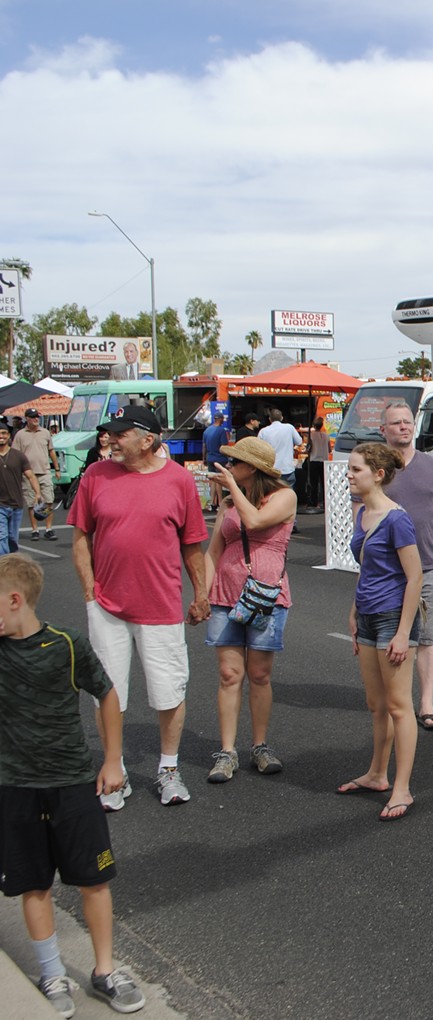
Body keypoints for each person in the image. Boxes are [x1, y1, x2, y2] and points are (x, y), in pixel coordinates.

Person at [0, 554, 146, 1016]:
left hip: (72, 783)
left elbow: (106, 692)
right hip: (15, 787)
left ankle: (104, 971)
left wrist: (112, 761)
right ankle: (51, 974)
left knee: (94, 881)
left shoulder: (66, 644)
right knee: (34, 884)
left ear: (14, 600)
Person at [67, 406, 210, 810]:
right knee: (108, 692)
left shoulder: (180, 480)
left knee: (168, 691)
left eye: (120, 433)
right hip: (107, 607)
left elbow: (192, 544)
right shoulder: (95, 475)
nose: (111, 439)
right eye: (110, 433)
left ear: (147, 440)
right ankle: (117, 770)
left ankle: (168, 768)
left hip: (161, 605)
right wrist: (89, 594)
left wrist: (200, 593)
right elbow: (80, 538)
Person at [202, 438, 297, 784]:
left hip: (264, 595)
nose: (228, 467)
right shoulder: (229, 503)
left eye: (235, 463)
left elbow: (255, 522)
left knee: (259, 674)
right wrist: (201, 593)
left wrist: (231, 489)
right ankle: (227, 751)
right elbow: (213, 551)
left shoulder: (284, 496)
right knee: (229, 675)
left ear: (252, 468)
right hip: (225, 595)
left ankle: (260, 745)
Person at [340, 443, 421, 822]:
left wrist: (404, 632)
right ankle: (377, 774)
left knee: (399, 706)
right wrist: (355, 610)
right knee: (376, 705)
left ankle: (402, 787)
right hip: (369, 616)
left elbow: (415, 577)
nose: (349, 474)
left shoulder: (396, 519)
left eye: (356, 469)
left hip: (392, 617)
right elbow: (366, 569)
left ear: (378, 475)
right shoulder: (363, 515)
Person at [378, 402, 433, 730]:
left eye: (407, 422)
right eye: (395, 423)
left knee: (428, 636)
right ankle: (396, 700)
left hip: (429, 565)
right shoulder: (376, 467)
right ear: (383, 430)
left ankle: (426, 704)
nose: (403, 427)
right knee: (390, 635)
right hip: (388, 570)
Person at [16, 409, 60, 541]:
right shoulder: (20, 435)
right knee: (31, 503)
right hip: (28, 473)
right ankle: (35, 530)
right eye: (33, 417)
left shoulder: (45, 432)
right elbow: (16, 455)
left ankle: (49, 529)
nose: (36, 419)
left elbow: (51, 451)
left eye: (37, 417)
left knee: (49, 501)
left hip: (45, 471)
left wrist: (57, 468)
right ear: (27, 419)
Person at [0, 422, 43, 555]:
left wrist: (37, 493)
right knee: (2, 536)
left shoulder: (18, 456)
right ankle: (4, 566)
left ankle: (11, 562)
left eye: (4, 433)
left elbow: (30, 476)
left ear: (8, 436)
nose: (1, 436)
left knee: (12, 538)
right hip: (0, 505)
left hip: (16, 504)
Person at [256, 408, 302, 488]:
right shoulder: (289, 428)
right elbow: (299, 442)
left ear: (270, 419)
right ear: (282, 418)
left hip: (270, 470)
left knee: (271, 494)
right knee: (288, 495)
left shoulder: (263, 431)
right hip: (287, 468)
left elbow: (258, 449)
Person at [201, 413, 230, 512]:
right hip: (220, 458)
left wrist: (204, 458)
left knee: (212, 480)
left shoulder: (207, 430)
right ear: (220, 419)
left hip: (210, 458)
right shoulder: (222, 431)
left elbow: (204, 446)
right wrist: (228, 458)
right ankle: (220, 503)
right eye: (223, 419)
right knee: (219, 480)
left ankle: (212, 503)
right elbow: (224, 446)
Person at [304, 416, 332, 512]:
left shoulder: (311, 435)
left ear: (313, 425)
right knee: (324, 483)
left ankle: (314, 502)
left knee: (314, 483)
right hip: (324, 460)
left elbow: (308, 448)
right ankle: (325, 502)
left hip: (313, 460)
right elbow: (329, 449)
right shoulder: (326, 435)